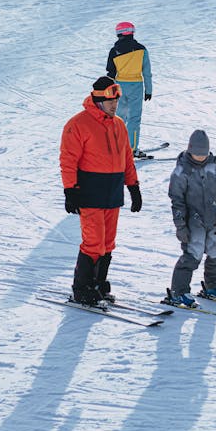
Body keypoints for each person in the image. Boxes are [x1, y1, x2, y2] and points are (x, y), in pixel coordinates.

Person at [60, 76, 142, 305]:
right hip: (90, 192)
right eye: (110, 101)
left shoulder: (119, 125)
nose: (115, 105)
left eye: (116, 100)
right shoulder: (78, 124)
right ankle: (82, 289)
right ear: (98, 100)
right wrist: (70, 190)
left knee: (108, 243)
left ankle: (99, 285)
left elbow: (127, 158)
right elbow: (68, 160)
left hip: (113, 192)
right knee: (93, 242)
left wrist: (133, 186)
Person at [166, 130, 216, 308]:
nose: (200, 157)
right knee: (192, 255)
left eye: (203, 154)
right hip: (193, 222)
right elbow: (177, 202)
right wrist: (180, 226)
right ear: (190, 150)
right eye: (197, 154)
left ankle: (214, 286)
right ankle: (179, 292)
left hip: (214, 219)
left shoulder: (213, 166)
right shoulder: (182, 171)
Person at [106, 21, 152, 158]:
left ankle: (117, 146)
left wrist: (110, 93)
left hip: (120, 86)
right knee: (134, 118)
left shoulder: (114, 51)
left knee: (119, 118)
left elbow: (110, 73)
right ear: (132, 32)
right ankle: (132, 148)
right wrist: (148, 90)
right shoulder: (141, 49)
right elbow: (147, 72)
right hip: (136, 85)